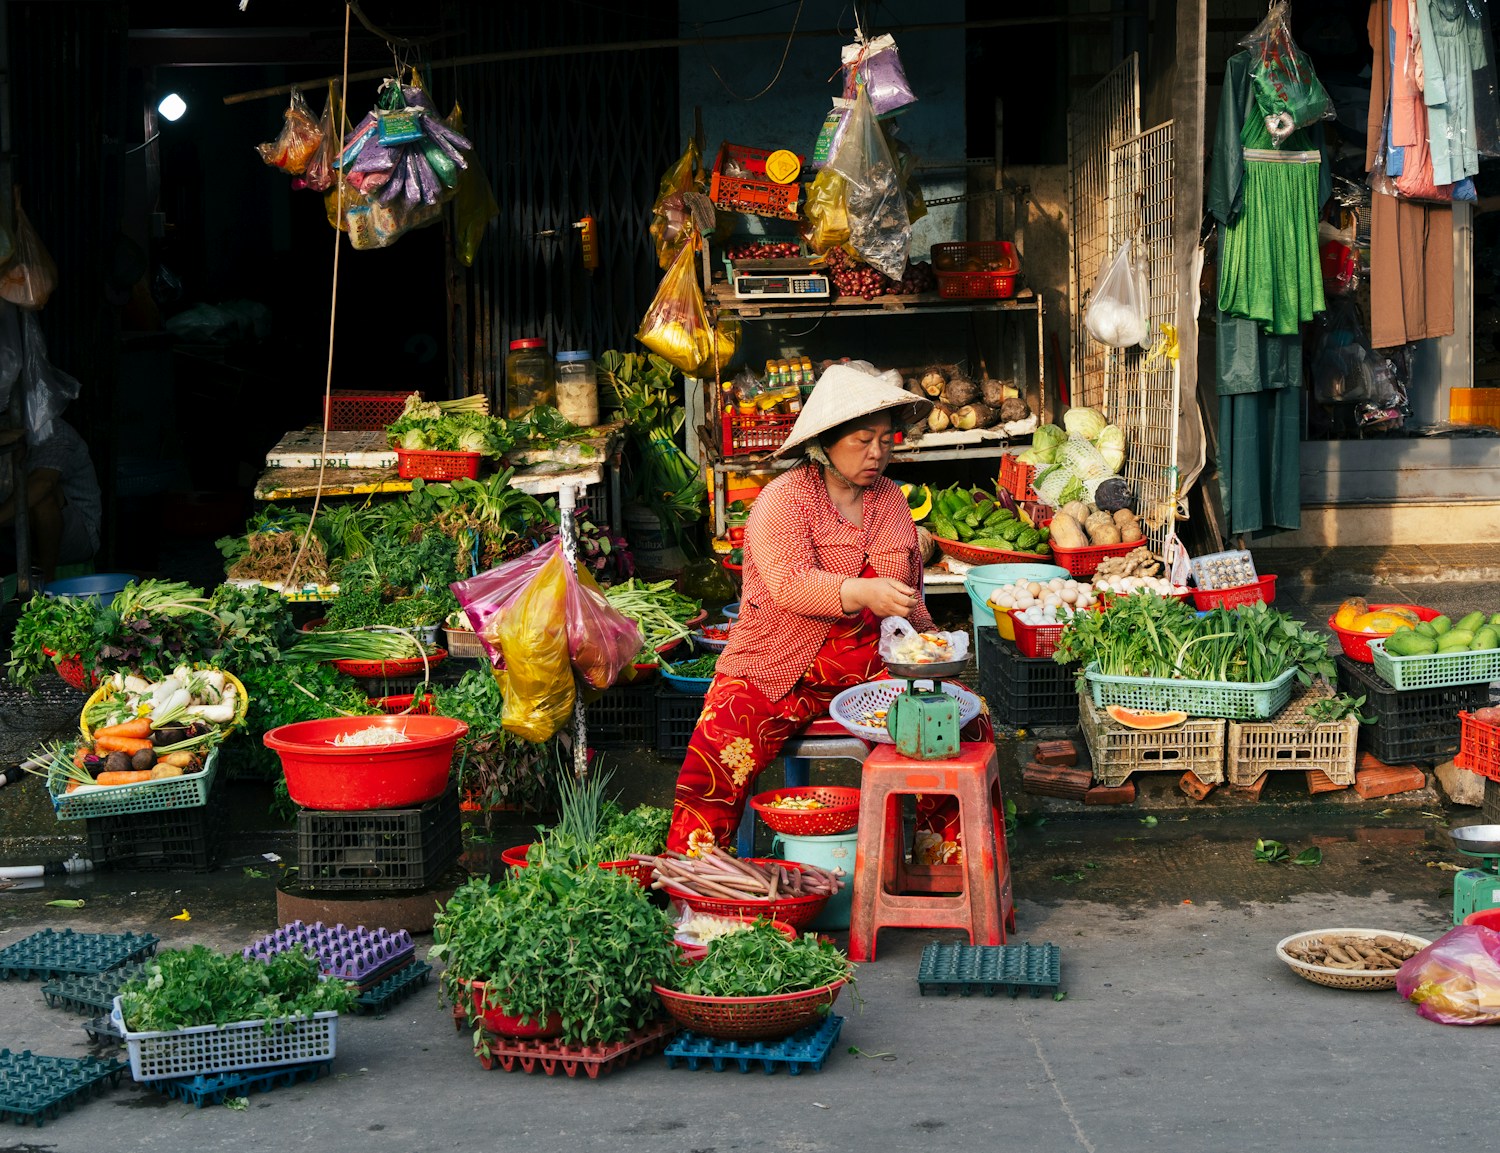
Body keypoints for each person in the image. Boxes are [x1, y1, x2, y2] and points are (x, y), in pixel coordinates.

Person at [666, 362, 990, 857]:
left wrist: (930, 645)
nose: (877, 453)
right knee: (716, 748)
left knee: (964, 718)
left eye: (885, 439)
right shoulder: (783, 500)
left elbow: (910, 598)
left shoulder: (890, 502)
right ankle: (697, 875)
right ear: (825, 443)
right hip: (778, 668)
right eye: (863, 440)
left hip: (875, 672)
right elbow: (787, 584)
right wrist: (861, 593)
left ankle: (943, 856)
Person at [0, 417, 101, 583]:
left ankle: (45, 582)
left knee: (41, 497)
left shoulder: (56, 431)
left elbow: (43, 483)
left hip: (73, 537)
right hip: (14, 534)